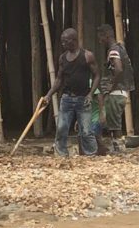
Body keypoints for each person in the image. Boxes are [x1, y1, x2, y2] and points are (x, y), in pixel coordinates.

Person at [43, 28, 101, 156]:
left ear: (73, 41)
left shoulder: (87, 56)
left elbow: (97, 75)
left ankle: (91, 154)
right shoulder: (63, 58)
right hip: (67, 98)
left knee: (86, 130)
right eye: (62, 42)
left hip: (83, 98)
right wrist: (48, 95)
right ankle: (61, 154)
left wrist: (91, 94)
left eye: (65, 41)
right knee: (62, 128)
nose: (63, 44)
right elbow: (59, 79)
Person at [97, 24, 135, 152]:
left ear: (106, 36)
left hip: (116, 92)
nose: (99, 41)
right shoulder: (121, 48)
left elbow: (118, 69)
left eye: (100, 37)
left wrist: (111, 86)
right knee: (114, 123)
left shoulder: (113, 50)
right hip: (122, 91)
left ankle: (119, 150)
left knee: (114, 125)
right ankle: (116, 148)